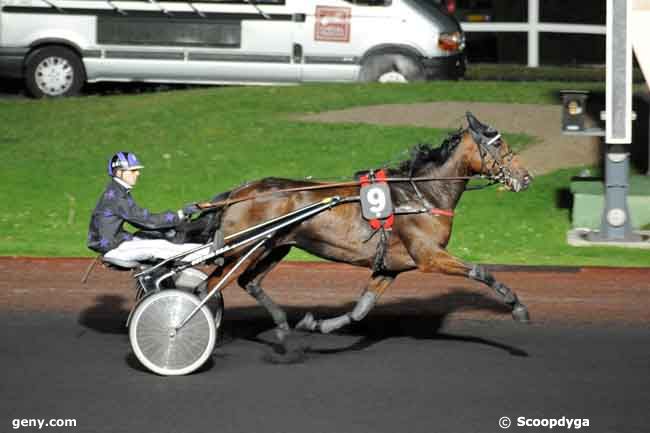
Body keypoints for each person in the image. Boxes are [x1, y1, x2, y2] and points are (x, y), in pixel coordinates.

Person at [87, 152, 207, 264]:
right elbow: (147, 221)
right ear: (119, 173)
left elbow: (142, 222)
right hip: (114, 248)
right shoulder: (117, 197)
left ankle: (203, 250)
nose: (138, 173)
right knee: (162, 247)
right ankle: (206, 252)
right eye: (133, 170)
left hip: (116, 242)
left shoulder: (116, 190)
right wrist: (181, 214)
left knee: (157, 239)